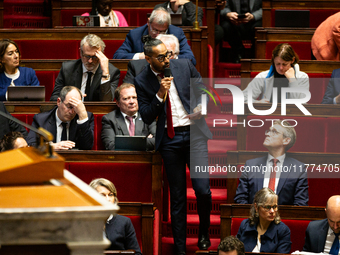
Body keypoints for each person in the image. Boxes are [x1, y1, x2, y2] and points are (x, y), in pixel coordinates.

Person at [134, 36, 212, 254]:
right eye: (161, 57)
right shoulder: (141, 81)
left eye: (167, 54)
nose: (167, 60)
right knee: (177, 197)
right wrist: (160, 94)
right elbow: (147, 116)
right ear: (149, 59)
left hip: (194, 133)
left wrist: (201, 106)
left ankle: (204, 234)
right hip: (170, 140)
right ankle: (180, 247)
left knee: (202, 190)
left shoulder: (184, 65)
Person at [234, 120, 309, 206]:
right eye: (269, 131)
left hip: (283, 218)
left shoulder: (298, 169)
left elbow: (301, 204)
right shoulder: (251, 165)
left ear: (286, 140)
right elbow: (240, 199)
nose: (268, 134)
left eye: (274, 132)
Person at [113, 7, 196, 66]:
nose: (158, 34)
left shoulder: (177, 33)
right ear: (148, 22)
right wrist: (140, 56)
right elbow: (117, 57)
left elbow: (191, 59)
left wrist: (172, 57)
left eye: (163, 31)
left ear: (168, 26)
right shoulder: (135, 34)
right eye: (155, 30)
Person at [50, 34, 120, 101]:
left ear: (101, 55)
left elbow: (106, 103)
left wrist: (105, 73)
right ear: (80, 52)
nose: (90, 61)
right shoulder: (68, 69)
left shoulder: (112, 72)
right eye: (87, 56)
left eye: (94, 57)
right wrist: (71, 99)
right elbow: (54, 98)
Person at [27, 86, 94, 150]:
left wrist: (83, 117)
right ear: (59, 102)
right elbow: (30, 145)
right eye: (69, 106)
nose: (72, 112)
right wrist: (52, 146)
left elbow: (87, 147)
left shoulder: (84, 118)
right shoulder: (41, 120)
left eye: (75, 107)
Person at [242, 43, 310, 103]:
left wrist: (292, 80)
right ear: (273, 60)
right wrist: (257, 103)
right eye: (278, 64)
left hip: (291, 116)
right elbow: (243, 98)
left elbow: (301, 104)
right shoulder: (263, 76)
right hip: (268, 115)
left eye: (284, 64)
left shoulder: (303, 77)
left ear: (292, 60)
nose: (281, 68)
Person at [89, 178, 142, 254]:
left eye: (110, 195)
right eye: (102, 195)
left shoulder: (124, 222)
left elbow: (137, 253)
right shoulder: (84, 222)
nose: (108, 199)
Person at [101, 83, 156, 150]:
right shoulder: (109, 119)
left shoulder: (148, 115)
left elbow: (157, 141)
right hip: (121, 159)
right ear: (118, 103)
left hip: (144, 159)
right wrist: (144, 141)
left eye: (134, 97)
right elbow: (111, 146)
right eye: (126, 98)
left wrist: (124, 143)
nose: (132, 101)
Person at [237, 188, 291, 253]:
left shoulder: (283, 231)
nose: (272, 211)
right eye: (267, 207)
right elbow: (236, 251)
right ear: (256, 207)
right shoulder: (245, 225)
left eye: (274, 207)